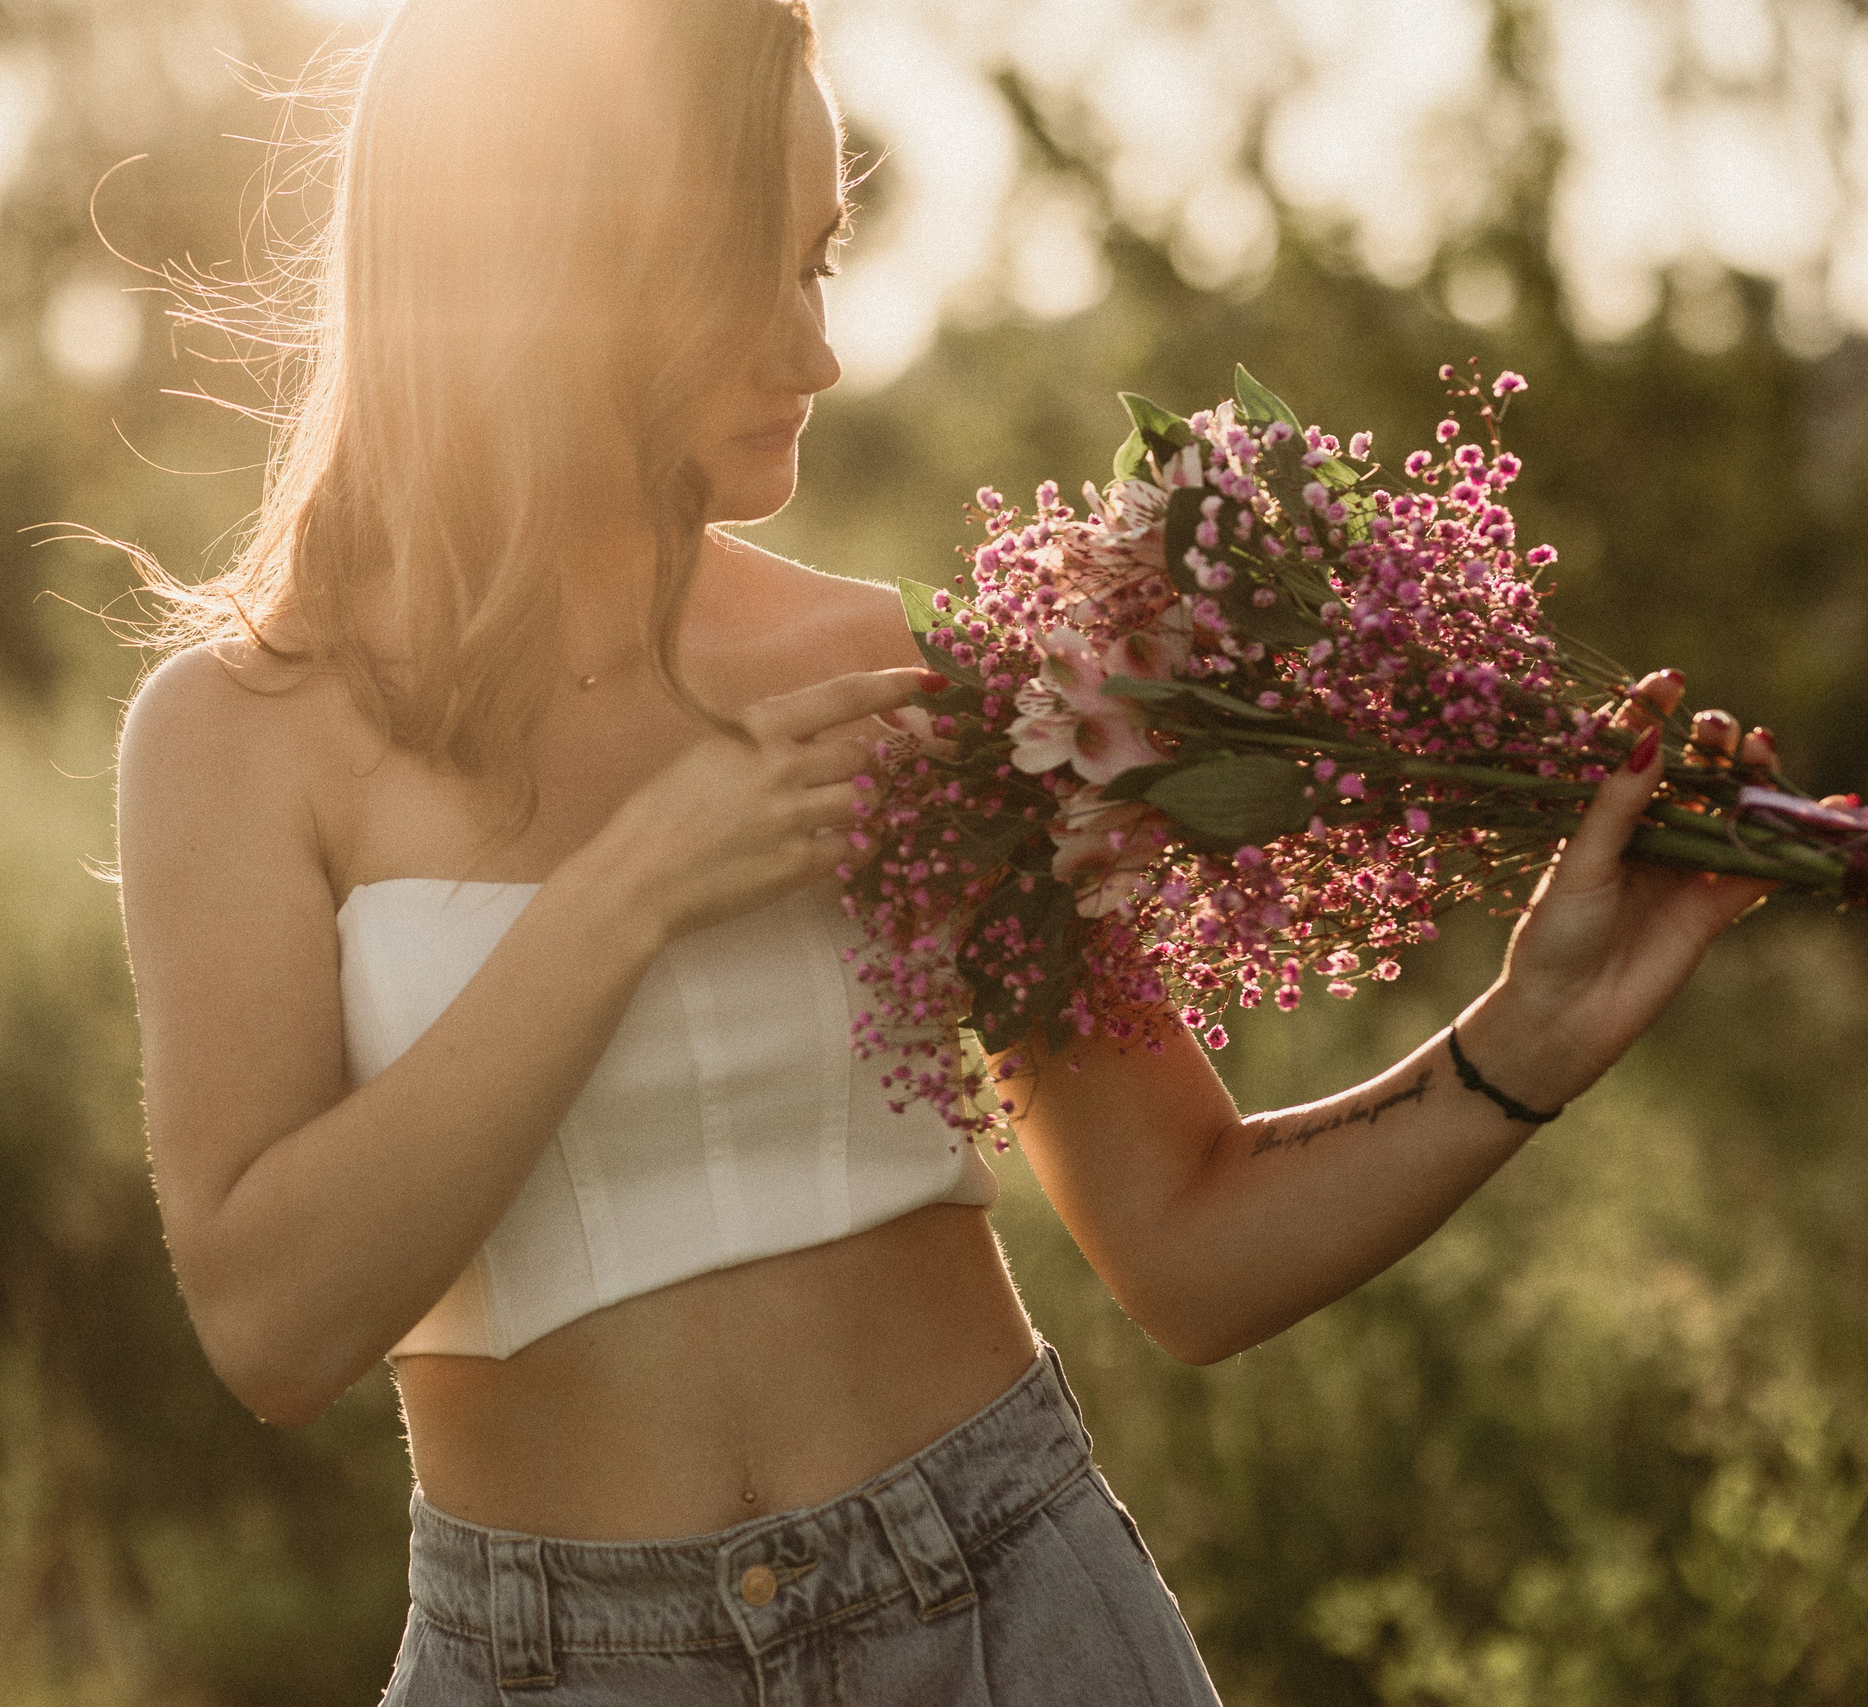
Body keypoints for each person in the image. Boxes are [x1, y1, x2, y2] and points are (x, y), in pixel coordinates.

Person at [111, 0, 1772, 1698]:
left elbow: (1190, 1241)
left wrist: (1530, 1036)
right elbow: (274, 1326)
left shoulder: (907, 689)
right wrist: (633, 891)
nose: (816, 349)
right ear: (549, 262)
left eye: (818, 261)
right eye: (746, 270)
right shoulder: (236, 739)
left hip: (1009, 1616)